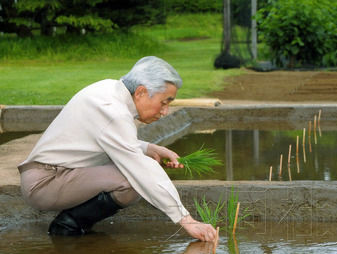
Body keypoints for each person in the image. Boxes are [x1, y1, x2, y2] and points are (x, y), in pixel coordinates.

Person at [18, 56, 216, 242]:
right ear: (140, 92)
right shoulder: (113, 111)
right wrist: (187, 220)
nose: (165, 112)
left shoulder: (108, 90)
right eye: (164, 103)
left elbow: (103, 137)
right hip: (45, 183)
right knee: (131, 178)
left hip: (60, 174)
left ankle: (72, 223)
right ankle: (67, 226)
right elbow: (141, 169)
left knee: (133, 171)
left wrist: (148, 148)